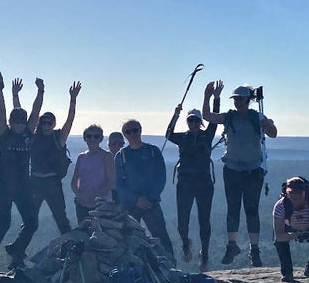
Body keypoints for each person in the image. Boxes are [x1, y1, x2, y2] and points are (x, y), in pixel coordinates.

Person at [6, 79, 82, 268]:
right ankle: (17, 254)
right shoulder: (33, 136)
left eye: (49, 122)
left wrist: (72, 99)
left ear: (53, 124)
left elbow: (70, 119)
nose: (46, 124)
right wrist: (16, 95)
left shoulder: (59, 137)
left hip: (52, 184)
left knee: (60, 218)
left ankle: (69, 250)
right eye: (44, 122)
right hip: (35, 183)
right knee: (30, 221)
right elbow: (21, 117)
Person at [203, 83, 277, 267]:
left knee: (251, 210)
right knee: (234, 209)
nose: (237, 102)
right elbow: (207, 116)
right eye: (235, 99)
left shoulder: (257, 117)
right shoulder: (230, 117)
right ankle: (233, 245)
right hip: (235, 169)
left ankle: (254, 249)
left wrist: (267, 124)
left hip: (251, 170)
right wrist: (208, 96)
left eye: (240, 99)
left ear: (248, 100)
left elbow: (273, 134)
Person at [0, 75, 44, 275]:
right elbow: (1, 110)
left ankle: (17, 250)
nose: (18, 124)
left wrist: (41, 91)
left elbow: (36, 111)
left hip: (23, 186)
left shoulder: (28, 133)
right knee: (3, 223)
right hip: (2, 186)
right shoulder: (4, 134)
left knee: (32, 222)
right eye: (15, 121)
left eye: (21, 121)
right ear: (10, 122)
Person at [165, 80, 222, 272]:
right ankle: (185, 243)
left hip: (203, 181)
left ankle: (204, 254)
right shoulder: (182, 137)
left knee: (204, 219)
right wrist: (175, 115)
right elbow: (168, 134)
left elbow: (214, 120)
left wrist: (216, 98)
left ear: (201, 122)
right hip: (186, 181)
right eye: (190, 120)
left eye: (196, 120)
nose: (193, 123)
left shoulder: (208, 135)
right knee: (183, 219)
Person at [115, 119, 176, 261]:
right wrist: (136, 200)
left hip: (150, 202)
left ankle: (171, 265)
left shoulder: (153, 151)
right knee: (129, 240)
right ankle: (135, 268)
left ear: (140, 130)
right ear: (124, 134)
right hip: (131, 205)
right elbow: (118, 184)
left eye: (135, 130)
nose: (132, 134)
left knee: (160, 236)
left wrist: (149, 198)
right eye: (128, 131)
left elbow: (161, 178)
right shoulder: (120, 156)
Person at [272, 176, 309, 282]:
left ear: (305, 192)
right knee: (280, 243)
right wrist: (297, 235)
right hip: (291, 226)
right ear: (287, 193)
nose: (296, 196)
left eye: (299, 193)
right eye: (292, 193)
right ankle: (287, 273)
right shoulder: (281, 206)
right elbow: (279, 236)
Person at [71, 124, 116, 224]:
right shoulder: (81, 157)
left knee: (101, 235)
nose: (92, 139)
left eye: (96, 136)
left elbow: (111, 182)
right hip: (82, 205)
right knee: (84, 235)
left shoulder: (107, 156)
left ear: (101, 139)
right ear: (85, 138)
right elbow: (74, 182)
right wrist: (79, 195)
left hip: (102, 205)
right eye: (89, 136)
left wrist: (94, 196)